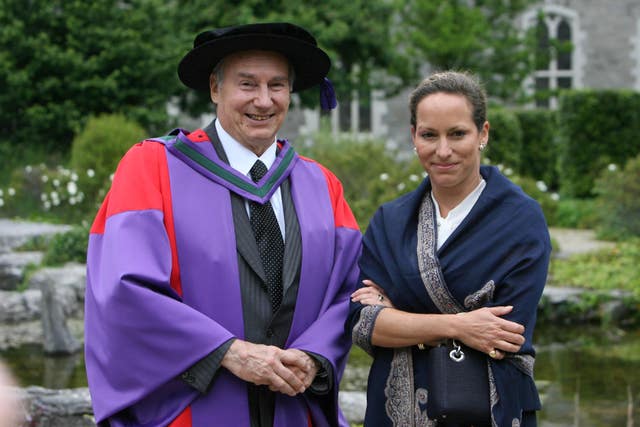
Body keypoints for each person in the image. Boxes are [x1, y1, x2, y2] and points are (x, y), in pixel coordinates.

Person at [84, 22, 362, 427]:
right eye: (247, 84)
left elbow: (350, 292)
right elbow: (123, 289)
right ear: (215, 89)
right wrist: (228, 352)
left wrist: (314, 355)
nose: (264, 101)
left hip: (292, 408)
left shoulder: (322, 185)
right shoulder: (152, 168)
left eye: (277, 85)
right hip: (193, 408)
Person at [348, 71, 551, 426]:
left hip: (490, 410)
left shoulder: (520, 219)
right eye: (429, 135)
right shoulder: (390, 221)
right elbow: (363, 323)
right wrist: (459, 325)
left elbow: (502, 333)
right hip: (395, 410)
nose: (443, 151)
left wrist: (400, 314)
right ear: (414, 136)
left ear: (482, 134)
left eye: (457, 134)